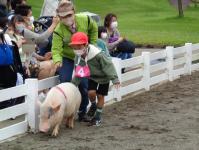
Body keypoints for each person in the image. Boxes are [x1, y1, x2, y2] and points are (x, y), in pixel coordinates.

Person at [51, 0, 98, 121]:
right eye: (62, 16)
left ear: (74, 12)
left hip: (82, 55)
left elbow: (94, 28)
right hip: (67, 57)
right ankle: (66, 111)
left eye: (69, 15)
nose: (66, 18)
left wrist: (92, 45)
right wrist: (57, 60)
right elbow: (56, 49)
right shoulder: (58, 30)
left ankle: (83, 111)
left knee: (83, 84)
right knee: (65, 81)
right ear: (59, 17)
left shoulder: (85, 19)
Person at [70, 32, 120, 126]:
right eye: (74, 47)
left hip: (104, 77)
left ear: (85, 45)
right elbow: (79, 73)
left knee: (100, 96)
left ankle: (97, 117)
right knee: (91, 93)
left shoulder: (98, 55)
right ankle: (93, 105)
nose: (76, 50)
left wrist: (115, 79)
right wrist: (72, 86)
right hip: (92, 76)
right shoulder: (80, 57)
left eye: (79, 47)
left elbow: (108, 65)